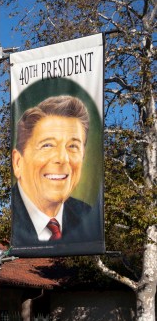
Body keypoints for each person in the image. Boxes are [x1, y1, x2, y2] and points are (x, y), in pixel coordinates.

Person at [11, 95, 100, 247]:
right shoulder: (3, 218)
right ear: (18, 162)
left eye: (73, 146)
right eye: (47, 145)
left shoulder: (88, 217)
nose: (62, 158)